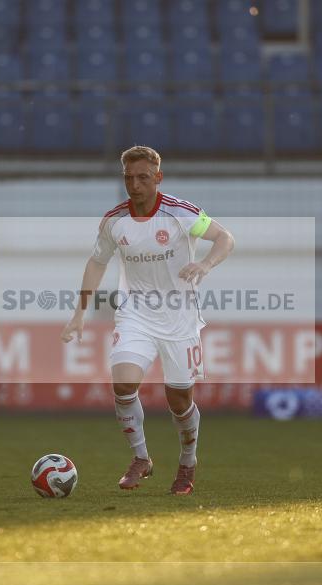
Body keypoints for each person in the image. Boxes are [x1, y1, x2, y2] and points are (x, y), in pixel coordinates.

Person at [61, 146, 235, 496]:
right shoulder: (114, 221)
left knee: (179, 401)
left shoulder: (180, 213)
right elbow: (97, 263)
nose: (135, 185)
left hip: (180, 319)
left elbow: (224, 238)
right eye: (129, 178)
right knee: (123, 383)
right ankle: (141, 458)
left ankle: (188, 462)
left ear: (158, 177)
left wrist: (204, 265)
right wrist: (79, 313)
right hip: (135, 313)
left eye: (143, 177)